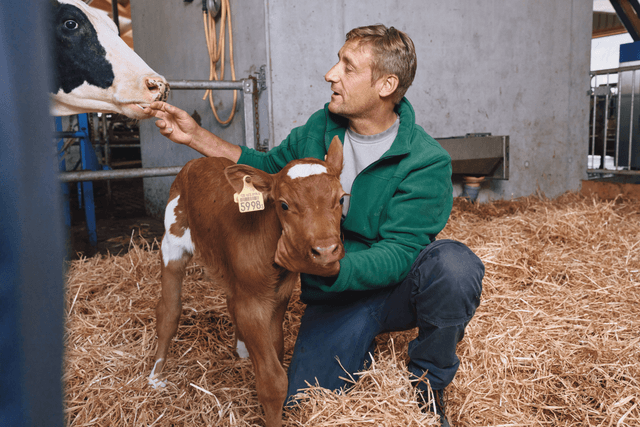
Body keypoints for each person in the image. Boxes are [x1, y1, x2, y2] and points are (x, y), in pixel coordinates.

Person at [145, 24, 484, 427]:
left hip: (391, 287)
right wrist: (196, 136)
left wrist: (329, 266)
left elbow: (401, 252)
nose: (330, 74)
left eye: (348, 67)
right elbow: (268, 169)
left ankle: (428, 387)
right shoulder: (320, 128)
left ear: (386, 85)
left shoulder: (425, 160)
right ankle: (360, 345)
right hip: (336, 296)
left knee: (454, 266)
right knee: (304, 402)